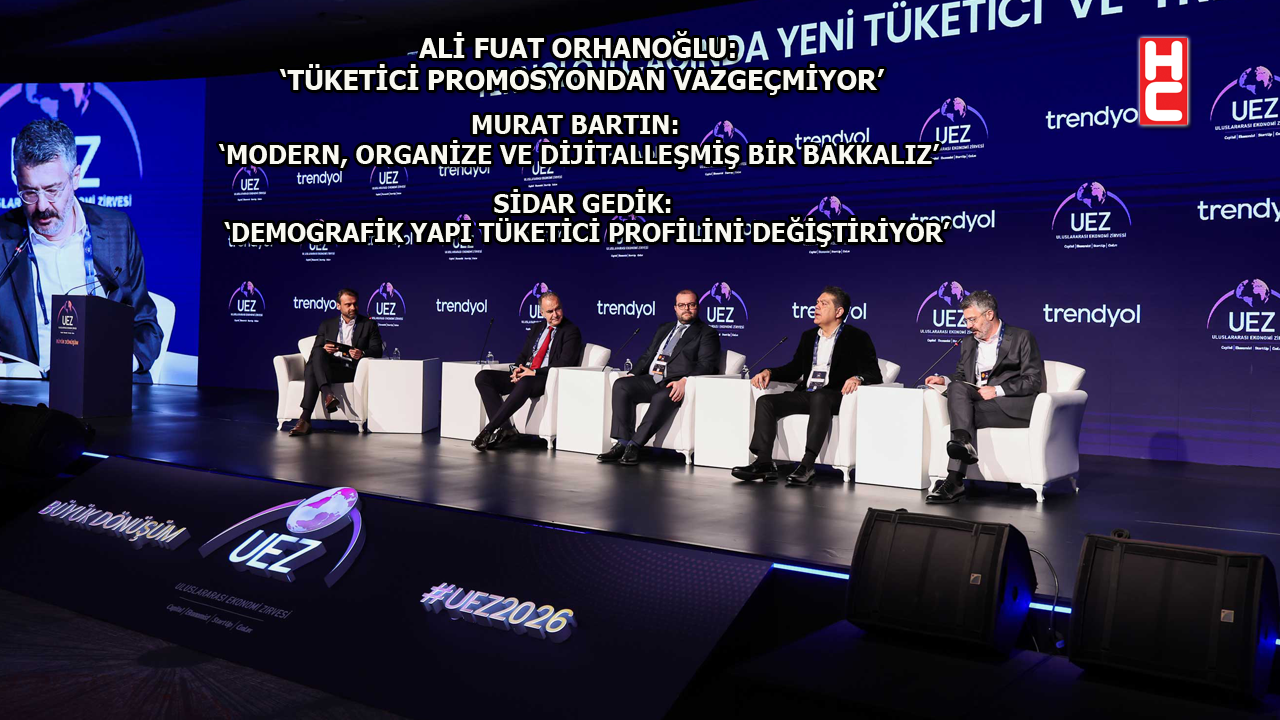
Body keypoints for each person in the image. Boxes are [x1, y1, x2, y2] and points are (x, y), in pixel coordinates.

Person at [0, 118, 161, 376]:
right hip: (25, 392)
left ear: (75, 177)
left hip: (103, 385)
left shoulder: (117, 230)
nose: (42, 206)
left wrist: (117, 365)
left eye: (52, 190)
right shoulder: (3, 242)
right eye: (29, 193)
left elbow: (145, 326)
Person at [732, 287, 882, 486]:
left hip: (835, 396)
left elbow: (874, 373)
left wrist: (858, 377)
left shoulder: (857, 337)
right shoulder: (809, 336)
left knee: (820, 397)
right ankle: (764, 462)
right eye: (817, 302)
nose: (816, 307)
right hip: (808, 393)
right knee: (766, 402)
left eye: (823, 303)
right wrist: (770, 372)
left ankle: (807, 465)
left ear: (839, 312)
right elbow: (795, 369)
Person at [923, 290, 1044, 503]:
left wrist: (997, 390)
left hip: (1010, 406)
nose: (968, 326)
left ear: (989, 314)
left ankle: (954, 479)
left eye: (972, 320)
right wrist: (944, 380)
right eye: (966, 321)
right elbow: (962, 377)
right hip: (978, 400)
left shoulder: (1021, 337)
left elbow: (1033, 380)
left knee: (962, 415)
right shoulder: (969, 343)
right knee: (956, 388)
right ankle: (963, 442)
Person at [597, 289, 720, 466]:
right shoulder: (665, 328)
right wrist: (633, 374)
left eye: (691, 305)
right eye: (682, 305)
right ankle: (622, 442)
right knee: (621, 385)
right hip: (653, 378)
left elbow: (707, 365)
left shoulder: (707, 333)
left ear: (697, 307)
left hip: (675, 383)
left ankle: (635, 445)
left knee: (662, 396)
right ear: (675, 308)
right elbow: (648, 355)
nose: (686, 309)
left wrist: (685, 381)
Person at [472, 292, 583, 451]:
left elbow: (565, 363)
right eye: (550, 311)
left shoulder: (571, 331)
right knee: (483, 377)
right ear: (542, 313)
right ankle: (507, 429)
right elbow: (523, 355)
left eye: (557, 309)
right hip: (526, 375)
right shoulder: (537, 328)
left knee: (525, 381)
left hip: (544, 378)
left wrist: (535, 372)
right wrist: (516, 370)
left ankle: (489, 430)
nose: (555, 314)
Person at [289, 288, 383, 436]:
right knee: (319, 352)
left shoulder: (369, 324)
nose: (353, 307)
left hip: (350, 369)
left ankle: (305, 419)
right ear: (338, 306)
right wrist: (326, 349)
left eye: (355, 304)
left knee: (312, 369)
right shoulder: (327, 324)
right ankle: (328, 395)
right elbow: (315, 350)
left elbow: (378, 350)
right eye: (348, 305)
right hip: (329, 367)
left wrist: (362, 353)